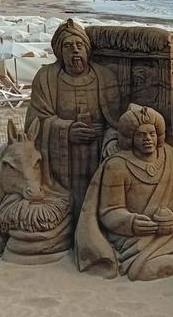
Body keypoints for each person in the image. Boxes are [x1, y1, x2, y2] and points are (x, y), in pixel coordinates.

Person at [76, 104, 173, 281]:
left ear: (158, 135)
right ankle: (153, 263)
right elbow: (108, 212)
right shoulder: (116, 166)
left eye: (151, 134)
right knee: (145, 270)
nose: (148, 139)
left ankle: (166, 262)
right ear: (130, 137)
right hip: (136, 238)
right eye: (141, 134)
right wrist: (131, 222)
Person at [25, 19, 123, 220]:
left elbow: (117, 121)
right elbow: (35, 123)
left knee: (97, 203)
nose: (75, 51)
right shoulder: (45, 78)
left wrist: (111, 140)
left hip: (97, 152)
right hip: (62, 159)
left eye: (79, 45)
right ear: (60, 52)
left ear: (87, 49)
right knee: (68, 208)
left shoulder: (105, 77)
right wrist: (67, 130)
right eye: (68, 46)